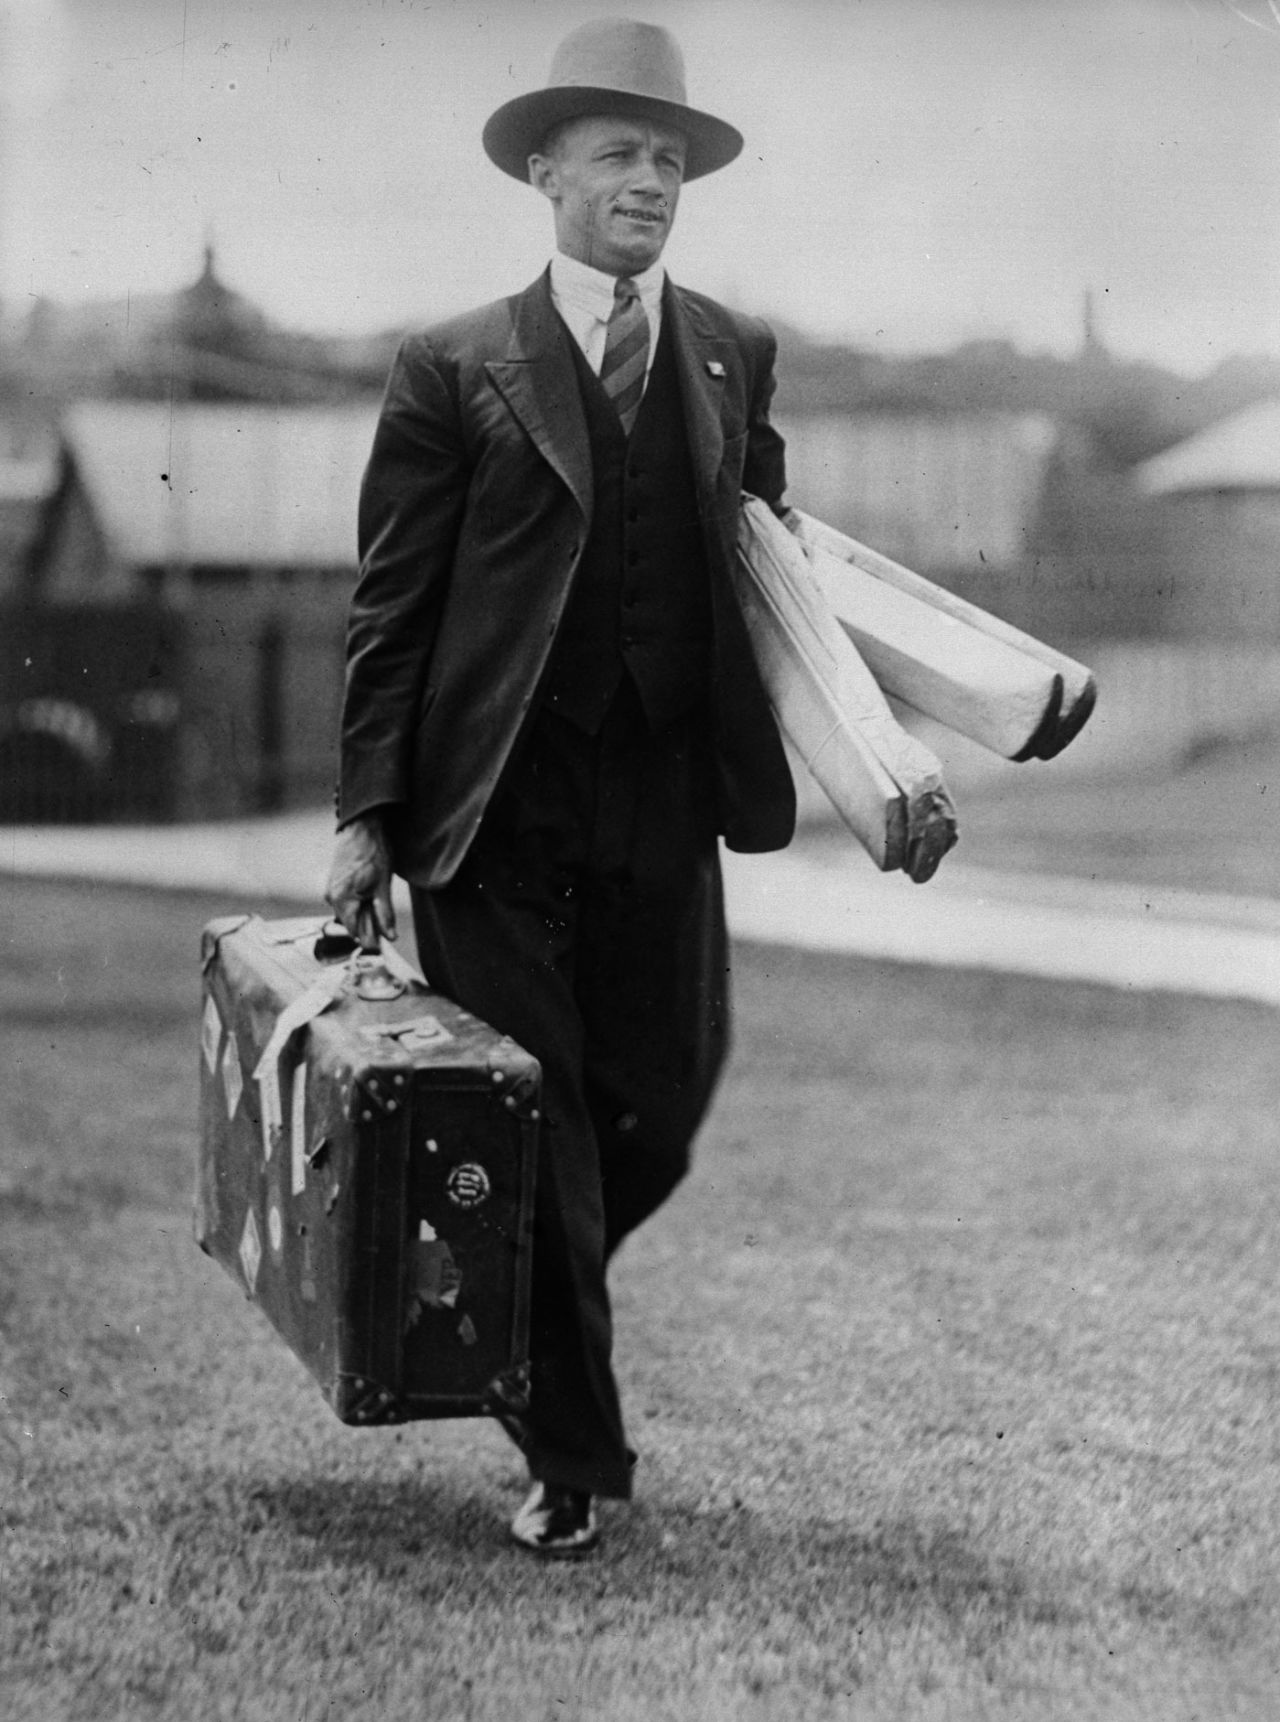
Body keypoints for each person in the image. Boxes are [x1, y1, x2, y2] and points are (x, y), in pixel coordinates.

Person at [325, 16, 796, 1558]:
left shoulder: (730, 346)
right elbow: (391, 607)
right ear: (546, 172)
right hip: (494, 813)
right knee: (545, 1134)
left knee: (659, 1106)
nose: (650, 181)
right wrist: (364, 813)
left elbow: (766, 554)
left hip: (664, 802)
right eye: (619, 154)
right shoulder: (451, 365)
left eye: (670, 158)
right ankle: (578, 1459)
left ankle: (531, 1300)